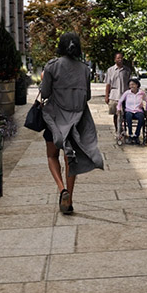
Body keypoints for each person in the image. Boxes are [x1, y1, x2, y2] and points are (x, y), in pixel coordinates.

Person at [39, 32, 103, 214]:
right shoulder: (85, 69)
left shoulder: (52, 67)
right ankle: (70, 199)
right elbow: (88, 96)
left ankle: (62, 189)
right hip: (76, 122)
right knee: (70, 160)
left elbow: (44, 94)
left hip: (55, 120)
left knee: (52, 155)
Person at [104, 52, 134, 138]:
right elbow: (108, 84)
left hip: (125, 96)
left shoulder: (127, 70)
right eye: (118, 58)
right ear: (115, 59)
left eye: (121, 58)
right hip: (114, 96)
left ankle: (124, 129)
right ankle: (117, 130)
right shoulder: (110, 70)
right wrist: (107, 96)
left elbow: (130, 84)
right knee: (115, 114)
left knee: (125, 114)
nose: (120, 60)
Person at [116, 77, 147, 144]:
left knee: (141, 118)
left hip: (138, 110)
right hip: (129, 110)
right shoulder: (127, 93)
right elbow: (120, 101)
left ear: (137, 85)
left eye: (133, 84)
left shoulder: (141, 93)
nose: (131, 86)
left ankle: (136, 135)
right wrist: (118, 109)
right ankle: (130, 134)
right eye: (130, 85)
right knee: (128, 117)